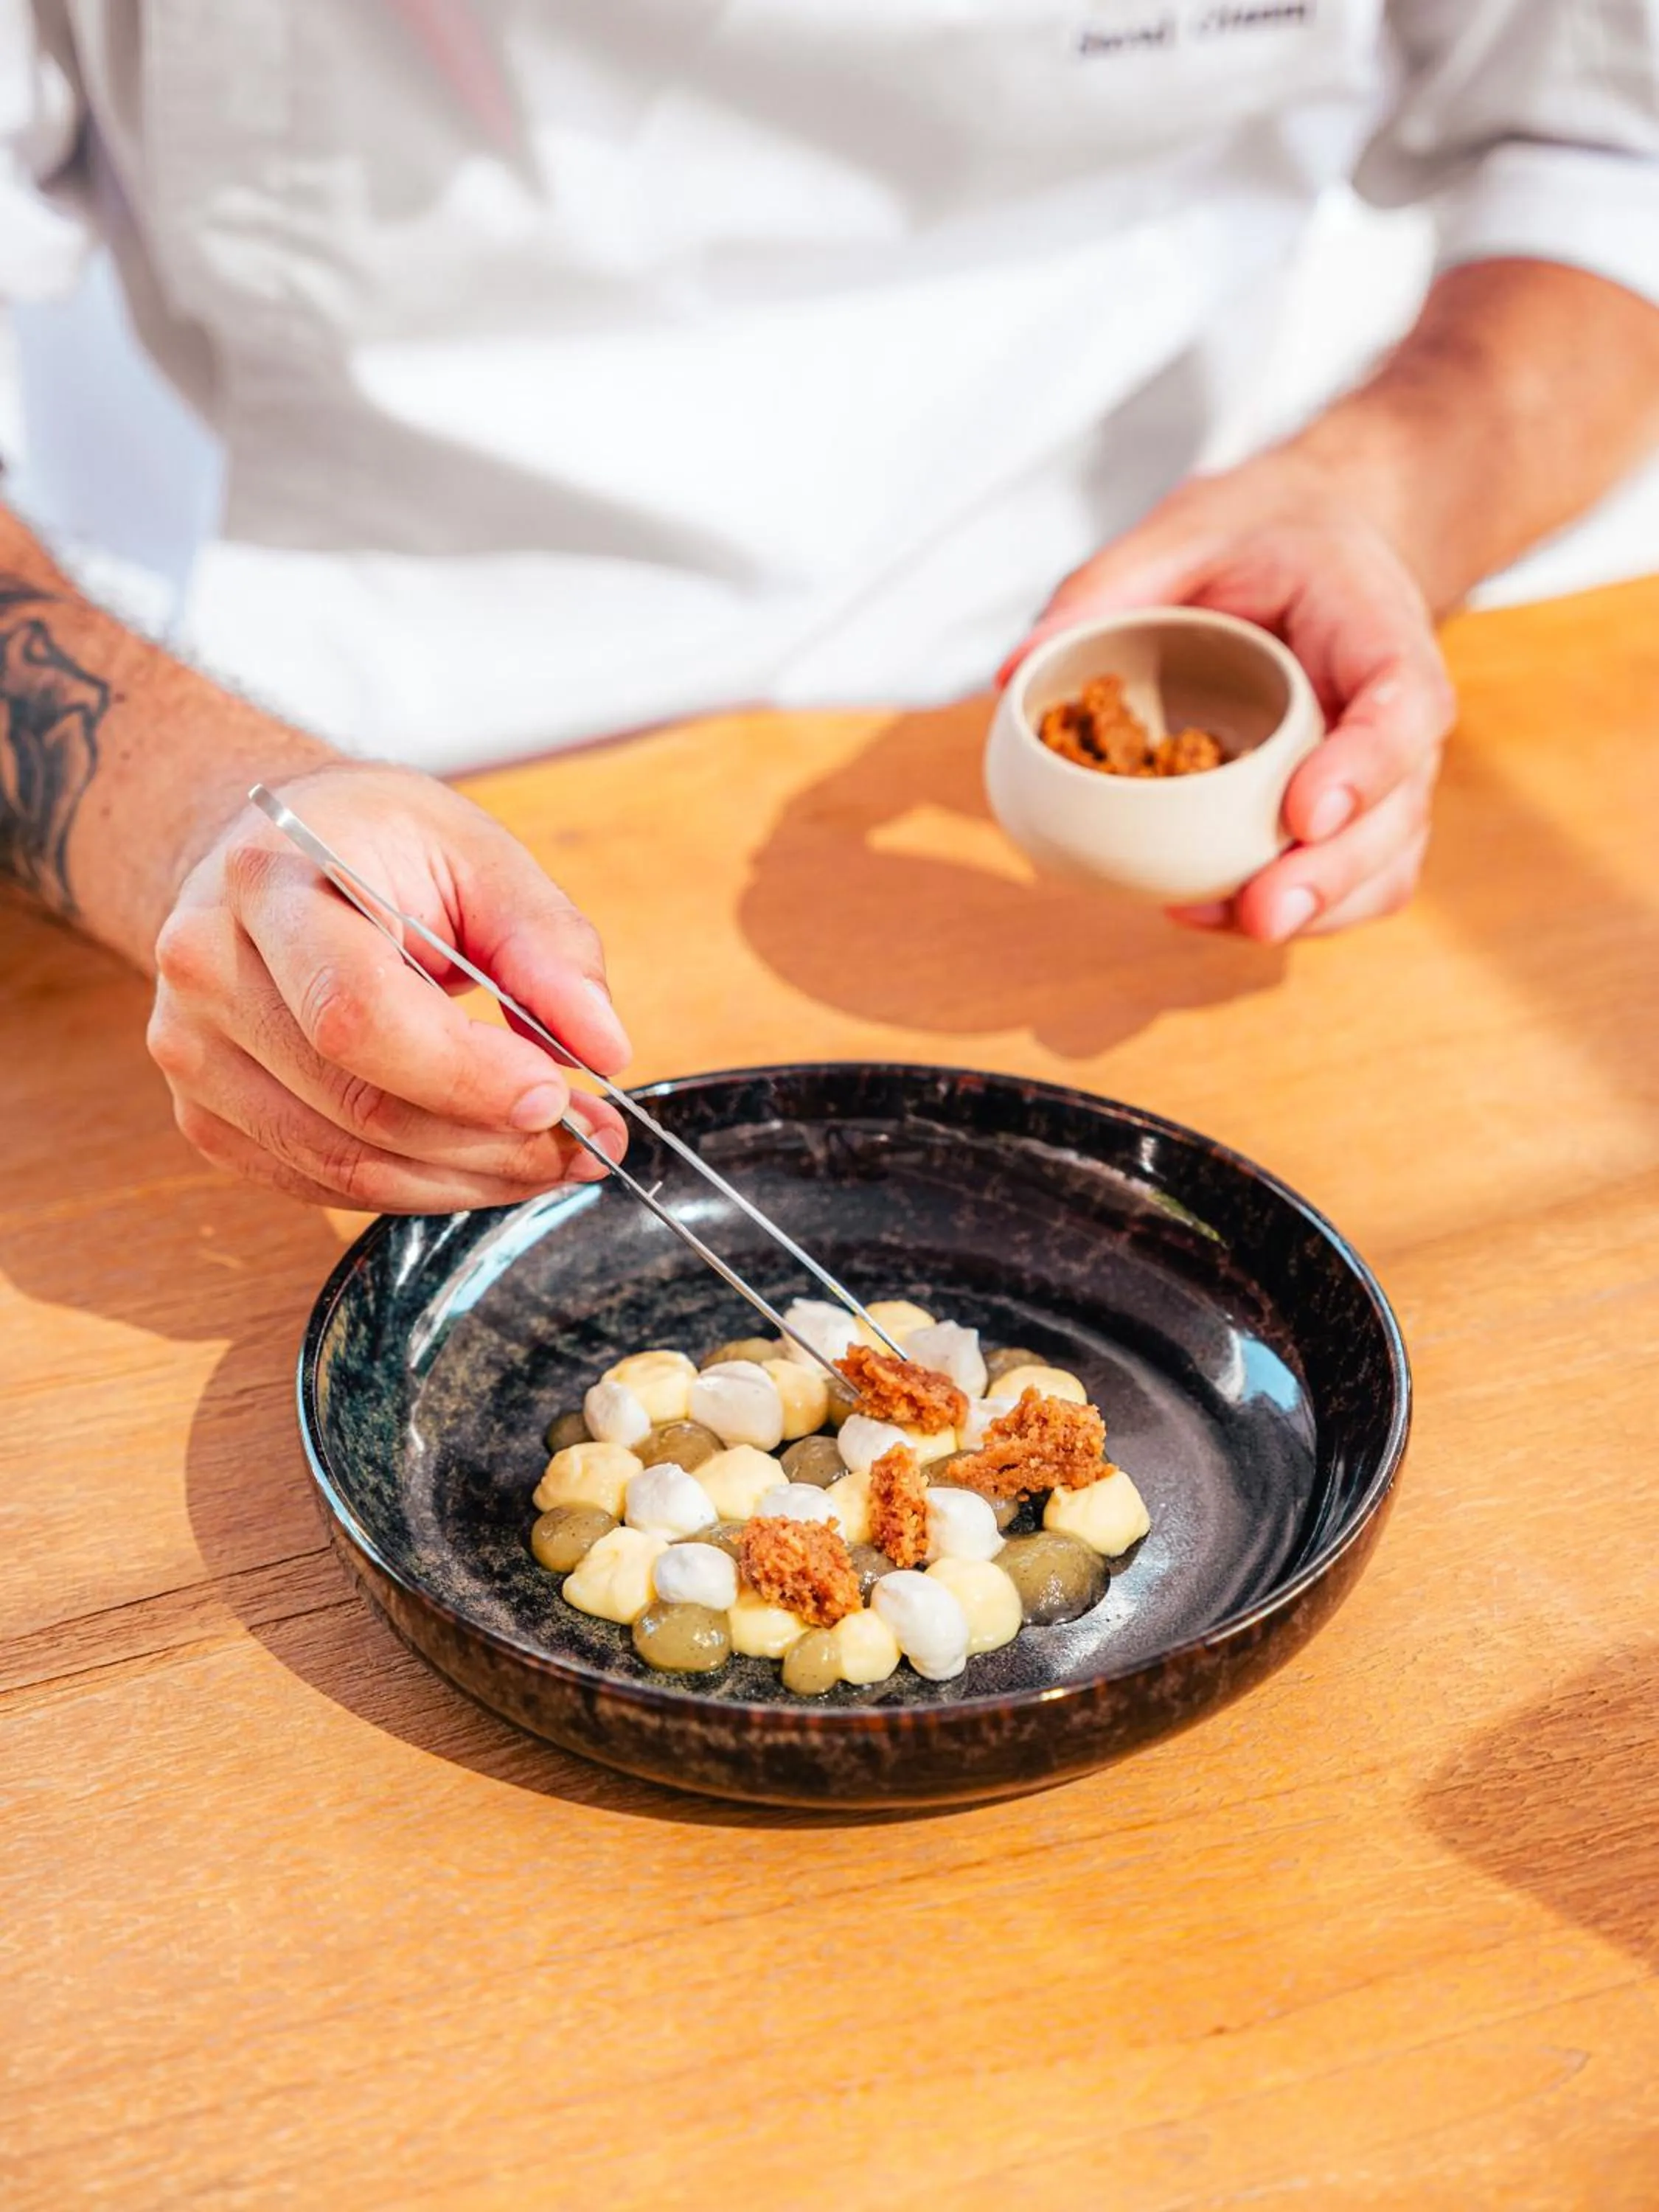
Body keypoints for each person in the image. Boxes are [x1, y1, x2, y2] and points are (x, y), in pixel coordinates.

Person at [3, 1, 1658, 1213]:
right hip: (351, 806)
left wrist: (1378, 494)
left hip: (1095, 753)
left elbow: (1604, 151)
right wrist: (193, 815)